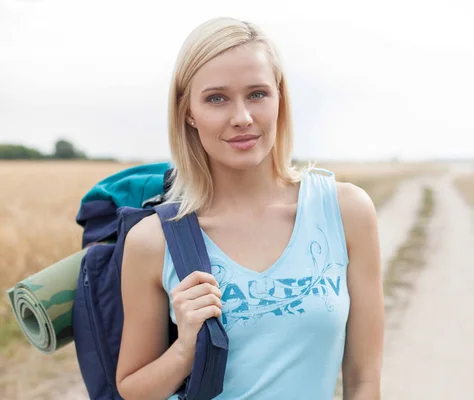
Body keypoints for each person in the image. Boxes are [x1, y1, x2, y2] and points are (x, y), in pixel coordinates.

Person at [115, 16, 384, 400]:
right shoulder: (153, 241)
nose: (241, 118)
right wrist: (183, 350)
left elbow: (364, 379)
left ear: (279, 97)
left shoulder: (346, 212)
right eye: (216, 98)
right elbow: (131, 389)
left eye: (257, 94)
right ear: (188, 112)